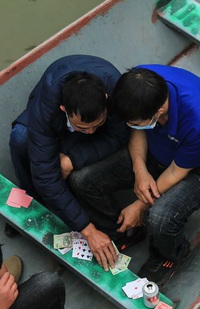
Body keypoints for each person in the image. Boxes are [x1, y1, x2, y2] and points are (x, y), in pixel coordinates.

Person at [69, 65, 200, 286]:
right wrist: (140, 170)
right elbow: (137, 128)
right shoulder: (140, 83)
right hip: (157, 152)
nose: (133, 125)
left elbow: (177, 171)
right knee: (82, 181)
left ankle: (171, 253)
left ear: (158, 113)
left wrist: (139, 205)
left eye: (137, 122)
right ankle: (124, 231)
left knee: (159, 218)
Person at [9, 54, 133, 271]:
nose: (90, 131)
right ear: (64, 109)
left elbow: (118, 136)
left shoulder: (116, 92)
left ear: (106, 98)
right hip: (58, 131)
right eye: (84, 128)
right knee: (20, 138)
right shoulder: (47, 108)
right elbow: (45, 176)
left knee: (78, 177)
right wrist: (89, 231)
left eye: (97, 123)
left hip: (99, 139)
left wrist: (73, 159)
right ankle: (34, 198)